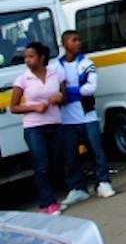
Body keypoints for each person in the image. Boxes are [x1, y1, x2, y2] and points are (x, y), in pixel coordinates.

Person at [57, 30, 115, 208]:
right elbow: (54, 91)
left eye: (79, 40)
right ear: (65, 44)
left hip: (88, 116)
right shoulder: (55, 67)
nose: (78, 43)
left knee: (97, 151)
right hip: (67, 120)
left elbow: (91, 88)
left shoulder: (87, 64)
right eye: (74, 40)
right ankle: (77, 188)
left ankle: (103, 183)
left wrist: (69, 92)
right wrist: (74, 92)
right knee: (70, 156)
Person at [10, 42, 66, 214]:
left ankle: (49, 201)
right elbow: (14, 107)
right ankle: (47, 203)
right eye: (26, 57)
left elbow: (65, 96)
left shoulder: (55, 74)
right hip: (34, 127)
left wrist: (59, 97)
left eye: (31, 56)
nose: (27, 60)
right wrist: (34, 107)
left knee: (54, 163)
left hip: (54, 123)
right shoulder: (23, 79)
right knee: (41, 164)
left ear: (42, 57)